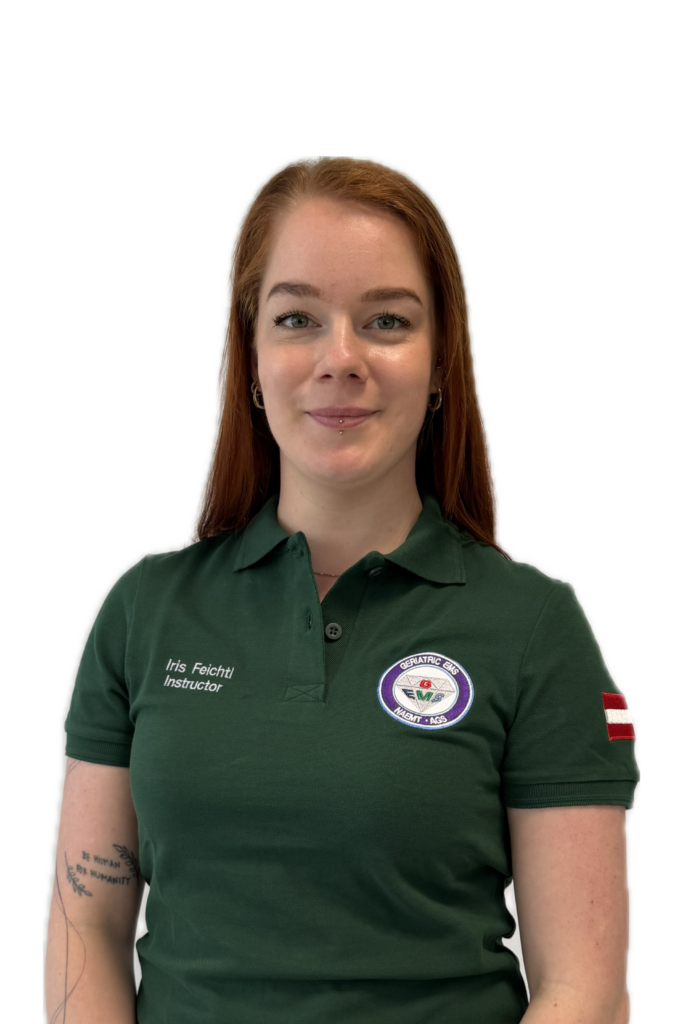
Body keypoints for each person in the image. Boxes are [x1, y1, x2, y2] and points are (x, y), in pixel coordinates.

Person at [45, 155, 639, 1024]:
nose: (340, 358)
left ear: (441, 364)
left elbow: (583, 990)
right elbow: (85, 926)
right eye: (296, 318)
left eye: (386, 321)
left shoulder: (534, 625)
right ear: (251, 357)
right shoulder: (144, 609)